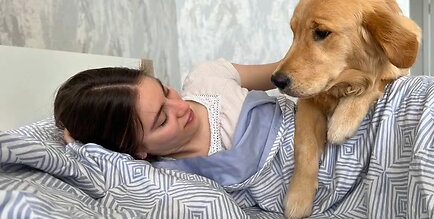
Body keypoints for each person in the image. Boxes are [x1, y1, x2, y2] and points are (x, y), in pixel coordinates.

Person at [54, 59, 281, 162]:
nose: (181, 106)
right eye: (162, 120)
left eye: (166, 91)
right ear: (137, 151)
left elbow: (286, 71)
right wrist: (78, 146)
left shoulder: (207, 77)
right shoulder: (173, 178)